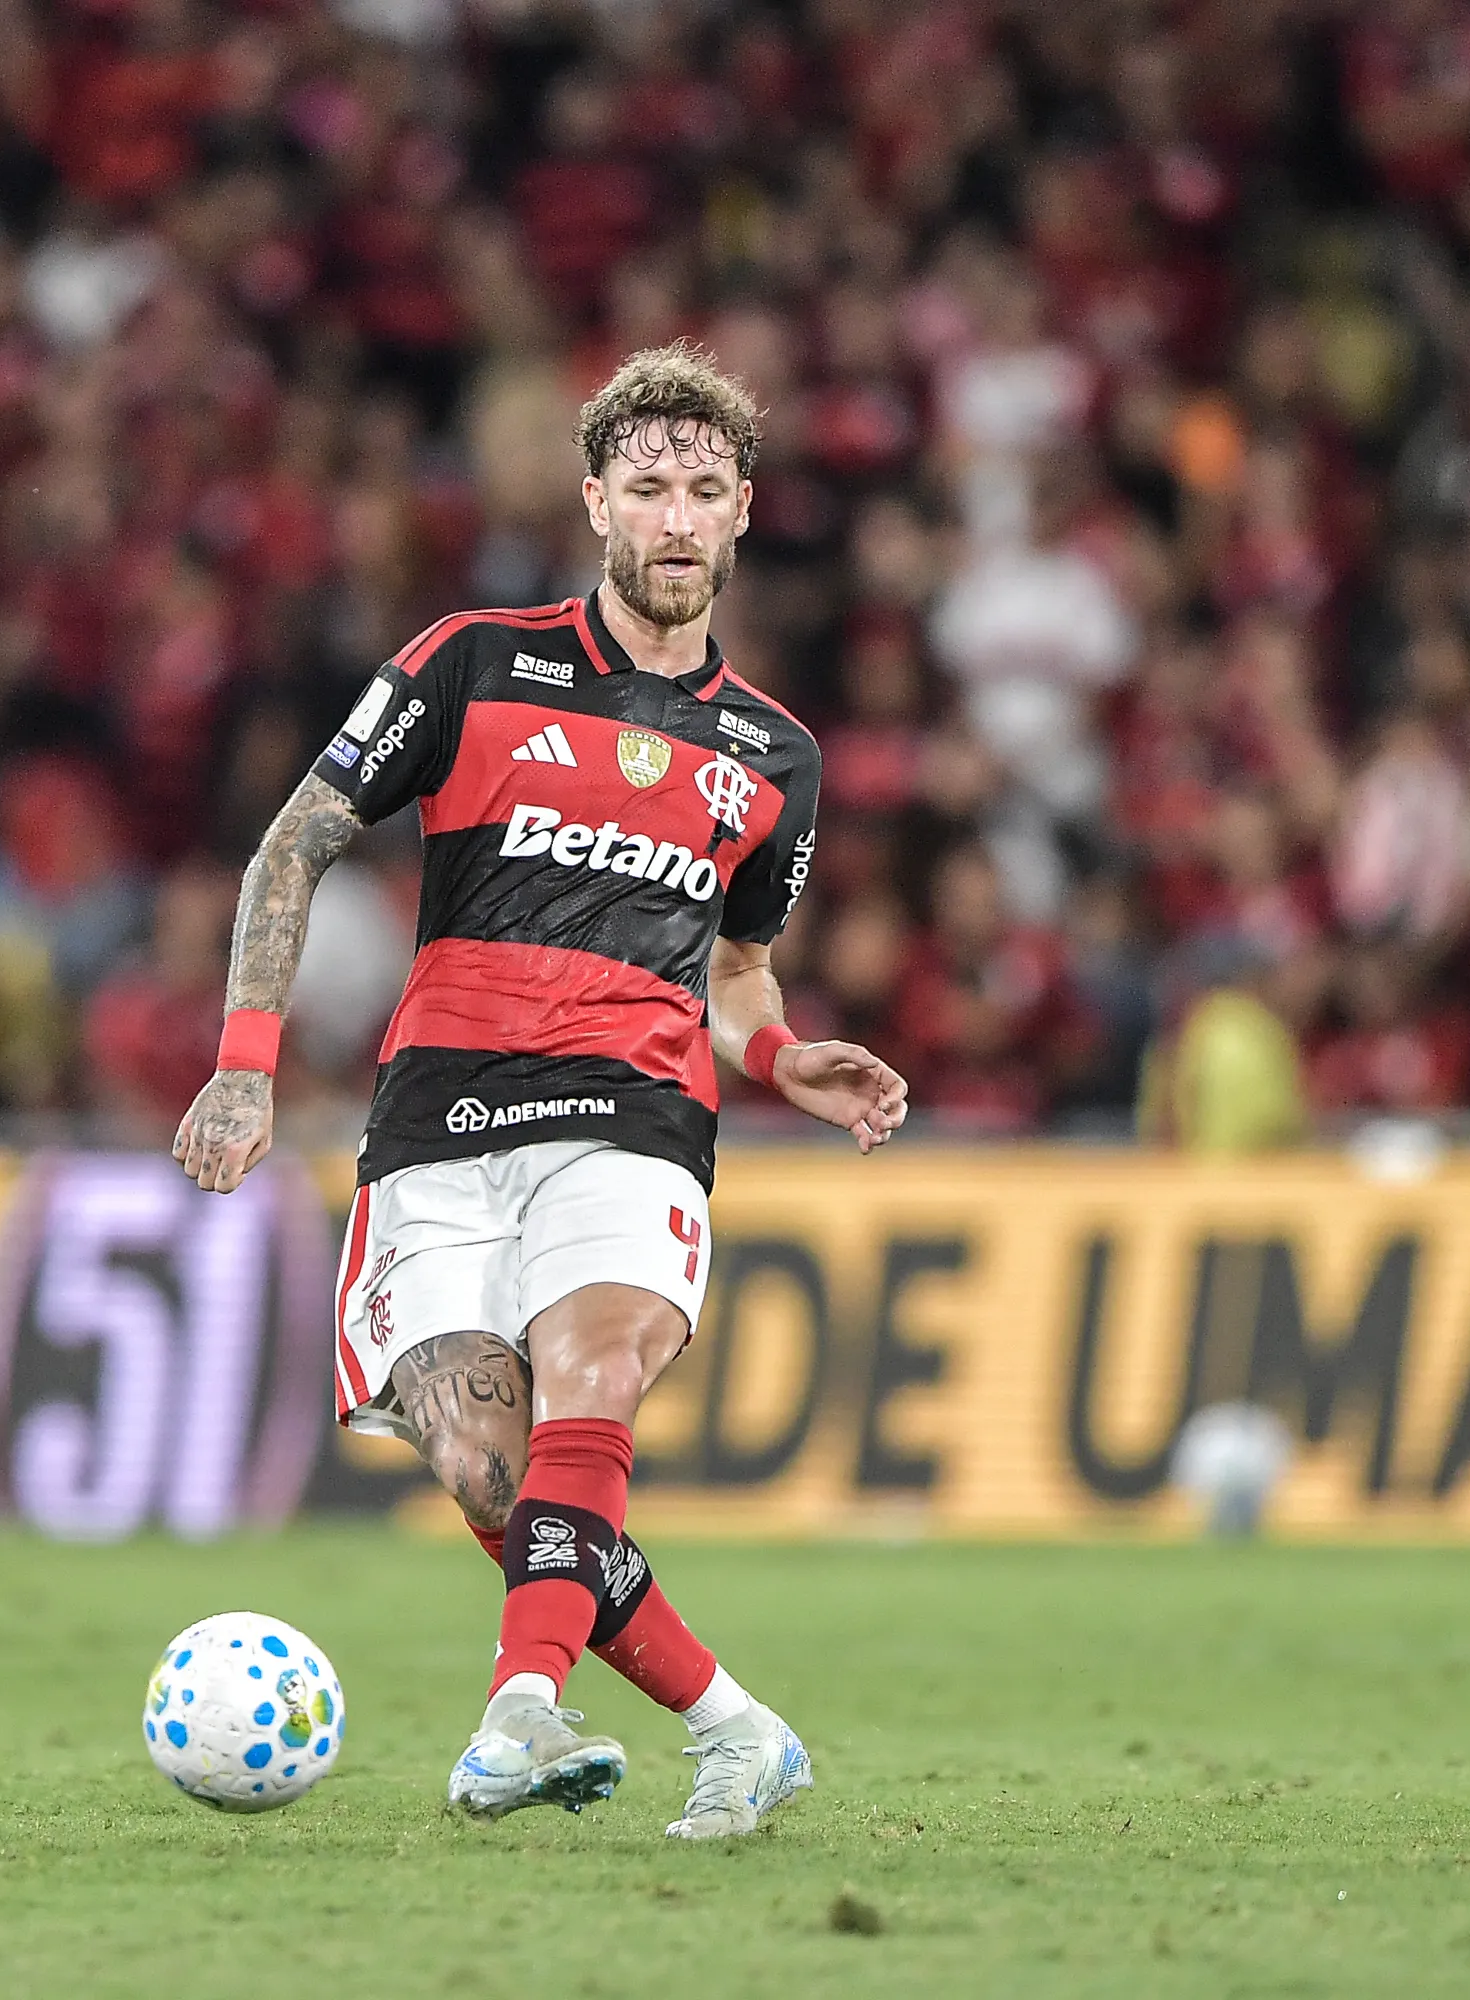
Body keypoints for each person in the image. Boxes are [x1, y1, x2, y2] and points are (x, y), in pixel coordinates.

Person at [171, 346, 908, 1839]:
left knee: (598, 1369)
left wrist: (777, 1055)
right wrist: (245, 1070)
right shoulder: (469, 662)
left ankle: (517, 1710)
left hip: (635, 1117)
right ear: (596, 503)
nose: (678, 517)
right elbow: (294, 843)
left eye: (706, 489)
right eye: (649, 489)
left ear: (747, 510)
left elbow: (739, 970)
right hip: (438, 1123)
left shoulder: (775, 758)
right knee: (491, 1473)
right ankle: (735, 1727)